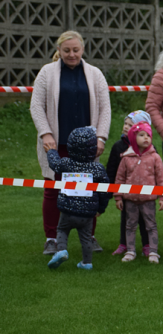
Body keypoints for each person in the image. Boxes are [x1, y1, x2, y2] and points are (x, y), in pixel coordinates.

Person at [31, 30, 111, 255]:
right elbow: (36, 106)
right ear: (59, 51)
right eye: (66, 50)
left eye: (76, 50)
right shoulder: (47, 72)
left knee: (88, 190)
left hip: (87, 146)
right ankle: (51, 239)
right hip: (55, 144)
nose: (72, 54)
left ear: (83, 49)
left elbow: (105, 108)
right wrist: (46, 134)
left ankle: (90, 236)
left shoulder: (95, 74)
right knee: (52, 189)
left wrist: (101, 137)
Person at [45, 127, 111, 271]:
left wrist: (51, 151)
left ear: (70, 147)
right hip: (87, 214)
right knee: (86, 238)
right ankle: (86, 263)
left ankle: (61, 250)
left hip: (67, 210)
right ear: (94, 149)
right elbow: (105, 191)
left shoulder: (66, 163)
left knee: (62, 230)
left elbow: (54, 163)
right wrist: (101, 208)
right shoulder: (98, 169)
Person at [114, 122, 163, 264]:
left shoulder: (155, 157)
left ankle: (153, 252)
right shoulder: (126, 158)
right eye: (141, 135)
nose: (146, 138)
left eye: (148, 135)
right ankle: (130, 251)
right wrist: (118, 196)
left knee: (151, 225)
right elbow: (119, 178)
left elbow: (161, 179)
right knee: (130, 225)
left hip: (148, 199)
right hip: (130, 200)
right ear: (133, 138)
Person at [107, 111, 150, 257]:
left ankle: (147, 245)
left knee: (146, 220)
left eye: (130, 125)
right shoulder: (118, 147)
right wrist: (113, 193)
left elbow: (156, 172)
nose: (126, 127)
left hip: (145, 193)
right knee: (126, 219)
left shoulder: (150, 150)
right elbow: (112, 170)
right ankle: (124, 244)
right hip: (126, 192)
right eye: (125, 123)